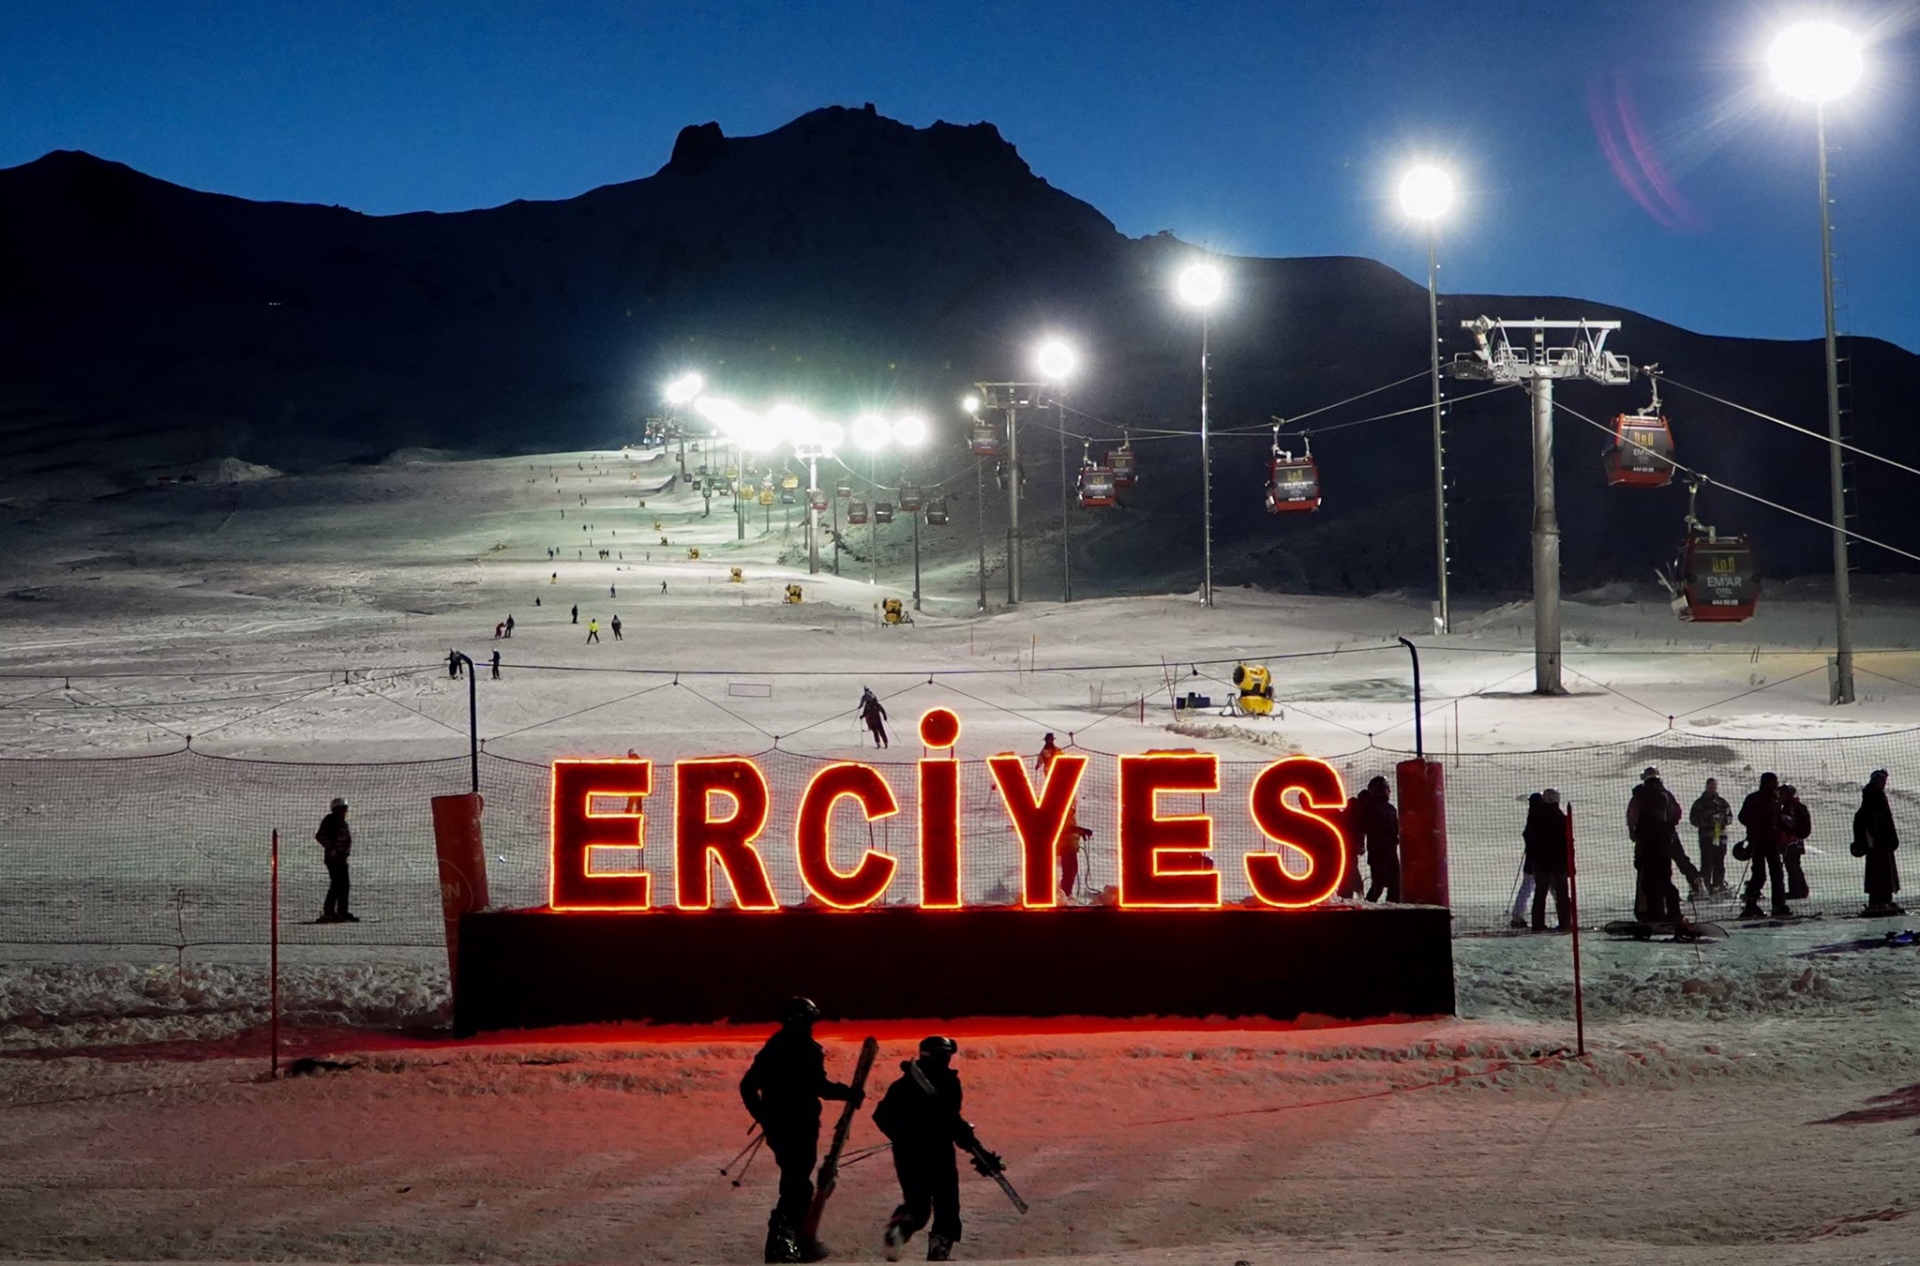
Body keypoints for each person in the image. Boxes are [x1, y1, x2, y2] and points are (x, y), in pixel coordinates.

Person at [739, 997, 861, 1264]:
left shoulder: (773, 1047)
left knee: (796, 1183)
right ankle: (783, 1244)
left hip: (779, 1129)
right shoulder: (806, 1049)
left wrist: (764, 1116)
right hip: (799, 1127)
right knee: (797, 1186)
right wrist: (848, 1093)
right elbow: (819, 1086)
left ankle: (792, 1242)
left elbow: (747, 1086)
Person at [874, 1035, 1001, 1263]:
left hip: (907, 1154)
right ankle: (939, 1248)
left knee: (917, 1204)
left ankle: (900, 1227)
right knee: (946, 1203)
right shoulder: (948, 1083)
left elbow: (881, 1115)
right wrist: (976, 1148)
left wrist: (903, 1136)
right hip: (938, 1153)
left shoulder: (902, 1084)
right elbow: (951, 1121)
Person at [1738, 771, 1793, 919]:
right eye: (1773, 783)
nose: (1774, 786)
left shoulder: (1774, 800)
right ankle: (1751, 905)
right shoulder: (1754, 799)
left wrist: (1788, 830)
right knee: (1759, 874)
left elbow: (1777, 819)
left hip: (1771, 841)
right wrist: (1756, 826)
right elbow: (1742, 817)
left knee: (1777, 873)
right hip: (1758, 841)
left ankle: (1778, 905)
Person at [1855, 769, 1902, 916]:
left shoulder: (1878, 796)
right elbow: (1872, 820)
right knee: (1879, 871)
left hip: (1882, 841)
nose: (1884, 783)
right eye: (1882, 780)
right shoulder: (1873, 797)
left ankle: (1884, 899)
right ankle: (1879, 901)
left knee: (1883, 871)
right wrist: (1874, 838)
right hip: (1877, 843)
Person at [1526, 788, 1570, 930]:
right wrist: (1569, 863)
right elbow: (1568, 842)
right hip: (1559, 864)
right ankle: (1565, 923)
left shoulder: (1536, 818)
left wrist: (1531, 860)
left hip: (1541, 864)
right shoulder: (1562, 818)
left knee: (1540, 895)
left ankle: (1537, 924)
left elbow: (1530, 840)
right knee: (1562, 895)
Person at [1354, 776, 1400, 903]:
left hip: (1380, 853)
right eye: (1386, 789)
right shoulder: (1380, 809)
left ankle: (1375, 905)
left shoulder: (1370, 809)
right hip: (1384, 853)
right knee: (1389, 884)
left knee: (1381, 884)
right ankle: (1390, 907)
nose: (1389, 791)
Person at [315, 796, 357, 923]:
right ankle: (329, 912)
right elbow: (320, 836)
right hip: (333, 859)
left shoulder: (343, 823)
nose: (345, 811)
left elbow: (346, 840)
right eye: (342, 809)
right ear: (336, 809)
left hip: (341, 858)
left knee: (344, 885)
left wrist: (345, 852)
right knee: (336, 884)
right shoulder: (330, 820)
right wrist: (332, 848)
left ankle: (342, 911)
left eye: (345, 809)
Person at [1689, 778, 1732, 895]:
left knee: (1719, 863)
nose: (1712, 788)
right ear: (1706, 786)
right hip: (1706, 838)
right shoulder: (1699, 803)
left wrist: (1722, 820)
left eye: (1714, 786)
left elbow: (1730, 817)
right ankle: (1705, 887)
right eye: (1710, 786)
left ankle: (1718, 885)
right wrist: (1708, 820)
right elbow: (1693, 820)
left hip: (1721, 838)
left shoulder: (1722, 802)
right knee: (1706, 863)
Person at [1511, 793, 1541, 929]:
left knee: (1526, 888)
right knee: (1552, 888)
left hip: (1531, 861)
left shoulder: (1532, 818)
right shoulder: (1539, 819)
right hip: (1542, 863)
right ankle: (1518, 916)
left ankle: (1517, 916)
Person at [1782, 784, 1812, 900]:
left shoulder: (1790, 806)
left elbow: (1788, 822)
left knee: (1792, 865)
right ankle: (1802, 889)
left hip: (1791, 841)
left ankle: (1796, 891)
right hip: (1797, 840)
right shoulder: (1798, 805)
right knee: (1795, 865)